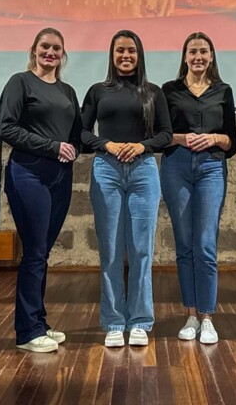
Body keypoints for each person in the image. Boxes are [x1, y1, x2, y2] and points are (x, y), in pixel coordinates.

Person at [82, 30, 172, 348]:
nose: (125, 56)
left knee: (141, 250)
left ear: (139, 54)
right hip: (106, 169)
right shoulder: (97, 91)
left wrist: (140, 146)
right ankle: (113, 322)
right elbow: (81, 131)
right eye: (120, 51)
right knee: (110, 249)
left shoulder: (153, 93)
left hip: (143, 171)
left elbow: (165, 134)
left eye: (131, 51)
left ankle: (140, 321)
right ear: (112, 54)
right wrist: (106, 143)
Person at [0, 28, 81, 353]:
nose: (50, 52)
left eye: (56, 48)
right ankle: (27, 331)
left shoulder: (68, 90)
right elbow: (6, 127)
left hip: (60, 177)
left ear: (63, 54)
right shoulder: (20, 82)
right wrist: (52, 146)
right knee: (34, 252)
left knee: (43, 253)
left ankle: (39, 321)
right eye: (44, 47)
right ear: (33, 50)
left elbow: (77, 134)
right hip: (28, 174)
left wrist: (77, 147)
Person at [160, 32, 236, 345]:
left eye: (204, 51)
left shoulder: (223, 90)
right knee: (184, 243)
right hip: (176, 166)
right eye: (193, 52)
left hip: (211, 167)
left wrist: (214, 138)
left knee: (205, 243)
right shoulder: (169, 90)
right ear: (185, 56)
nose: (198, 57)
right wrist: (181, 138)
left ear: (211, 56)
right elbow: (160, 135)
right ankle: (190, 314)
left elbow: (232, 140)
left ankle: (207, 316)